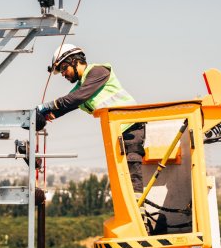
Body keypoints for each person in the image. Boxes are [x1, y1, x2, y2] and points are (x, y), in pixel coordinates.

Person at [35, 43, 145, 196]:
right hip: (117, 131)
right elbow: (67, 105)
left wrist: (46, 106)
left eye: (63, 69)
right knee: (122, 174)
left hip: (131, 126)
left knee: (132, 167)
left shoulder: (98, 72)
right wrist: (42, 117)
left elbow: (75, 98)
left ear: (74, 61)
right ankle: (132, 206)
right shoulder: (83, 85)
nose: (63, 74)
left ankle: (138, 209)